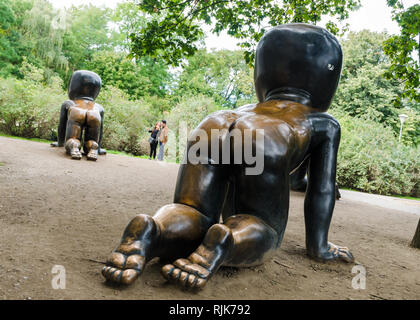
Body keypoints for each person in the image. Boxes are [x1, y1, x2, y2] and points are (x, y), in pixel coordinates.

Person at [102, 24, 354, 290]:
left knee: (192, 209)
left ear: (262, 73)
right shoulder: (323, 123)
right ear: (327, 81)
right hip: (264, 138)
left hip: (212, 126)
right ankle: (227, 239)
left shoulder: (241, 110)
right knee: (261, 225)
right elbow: (322, 189)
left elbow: (296, 178)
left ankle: (154, 230)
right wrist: (320, 247)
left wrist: (296, 181)